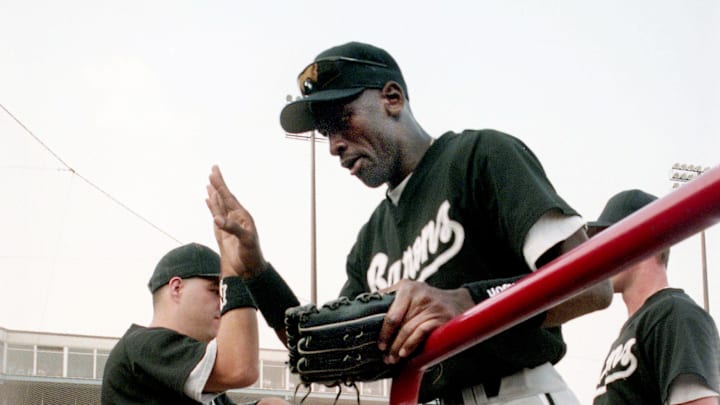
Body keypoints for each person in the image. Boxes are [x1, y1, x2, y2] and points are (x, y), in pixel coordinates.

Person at [207, 41, 613, 404]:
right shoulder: (369, 241)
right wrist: (256, 270)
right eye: (325, 132)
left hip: (517, 392)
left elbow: (593, 284)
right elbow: (324, 350)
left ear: (392, 98)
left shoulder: (478, 156)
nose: (333, 146)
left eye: (342, 118)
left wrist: (470, 302)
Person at [101, 242, 290, 405]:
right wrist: (235, 274)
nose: (224, 303)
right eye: (216, 290)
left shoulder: (190, 365)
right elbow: (240, 370)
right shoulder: (142, 346)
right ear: (177, 288)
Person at [589, 189, 720, 405]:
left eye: (608, 238)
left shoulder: (675, 314)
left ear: (643, 239)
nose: (599, 252)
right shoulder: (637, 327)